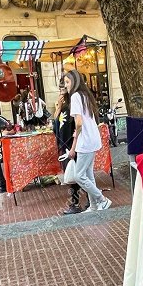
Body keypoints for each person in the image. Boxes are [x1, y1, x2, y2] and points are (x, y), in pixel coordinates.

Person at [63, 70, 112, 212]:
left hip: (85, 140)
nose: (66, 85)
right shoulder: (85, 95)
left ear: (74, 82)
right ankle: (94, 204)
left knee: (79, 176)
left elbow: (78, 122)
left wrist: (75, 138)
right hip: (92, 138)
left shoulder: (76, 96)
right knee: (88, 175)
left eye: (67, 82)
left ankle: (101, 199)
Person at [54, 85, 83, 214]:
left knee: (79, 177)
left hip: (72, 147)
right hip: (65, 147)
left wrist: (73, 147)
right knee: (74, 177)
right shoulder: (62, 109)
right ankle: (77, 202)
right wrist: (58, 108)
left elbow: (76, 129)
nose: (60, 95)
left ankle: (78, 203)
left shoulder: (71, 109)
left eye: (62, 91)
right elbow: (56, 128)